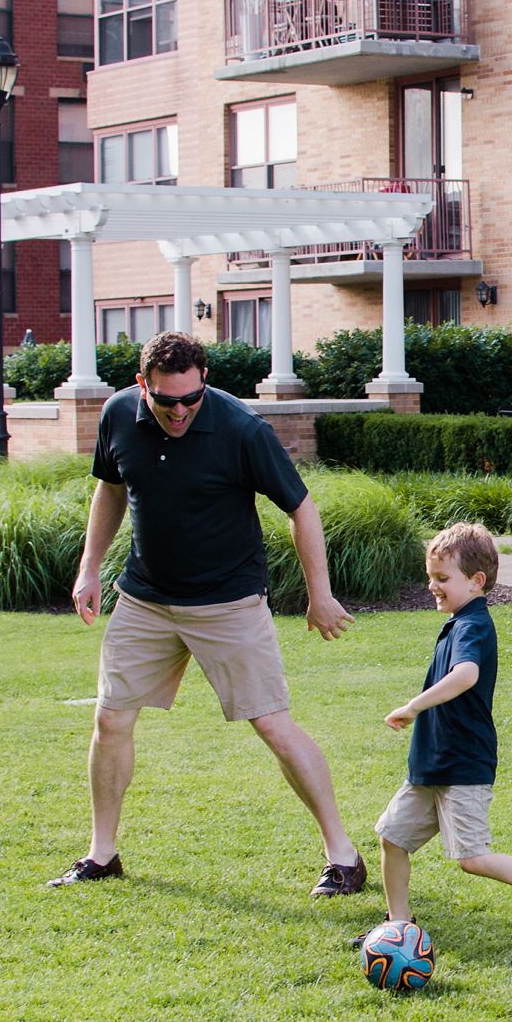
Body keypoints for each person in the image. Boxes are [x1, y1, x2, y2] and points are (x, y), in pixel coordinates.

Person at [49, 331, 368, 897]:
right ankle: (102, 853)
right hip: (146, 598)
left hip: (228, 603)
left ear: (204, 385)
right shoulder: (119, 414)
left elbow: (301, 507)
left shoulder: (242, 430)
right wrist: (90, 566)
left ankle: (343, 856)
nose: (180, 412)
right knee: (111, 718)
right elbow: (111, 490)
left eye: (191, 399)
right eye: (167, 400)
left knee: (272, 724)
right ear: (142, 386)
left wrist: (320, 594)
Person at [352, 522, 512, 950]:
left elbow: (466, 674)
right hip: (432, 763)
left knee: (473, 858)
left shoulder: (473, 624)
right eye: (430, 576)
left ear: (476, 582)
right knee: (392, 838)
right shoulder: (458, 620)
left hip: (462, 764)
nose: (432, 585)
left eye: (442, 578)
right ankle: (399, 927)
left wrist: (414, 706)